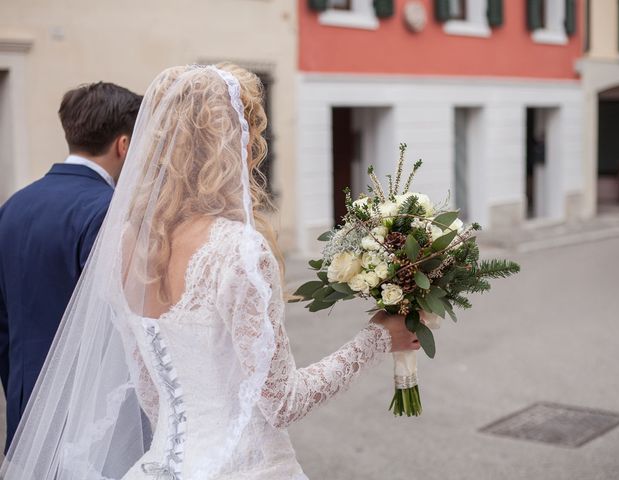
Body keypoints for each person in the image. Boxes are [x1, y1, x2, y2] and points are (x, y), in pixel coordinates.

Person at [0, 64, 419, 479]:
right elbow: (283, 401)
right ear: (232, 144)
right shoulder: (237, 250)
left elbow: (151, 393)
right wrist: (379, 338)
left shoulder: (124, 244)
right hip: (245, 467)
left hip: (161, 464)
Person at [0, 82, 142, 452]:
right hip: (91, 420)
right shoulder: (111, 211)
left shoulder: (13, 206)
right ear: (123, 145)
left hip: (25, 408)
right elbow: (122, 324)